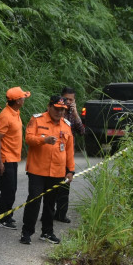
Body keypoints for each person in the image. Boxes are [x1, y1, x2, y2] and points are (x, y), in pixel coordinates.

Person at [20, 94, 74, 245]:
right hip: (37, 170)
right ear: (49, 107)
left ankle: (47, 232)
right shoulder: (37, 120)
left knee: (51, 204)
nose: (60, 112)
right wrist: (44, 140)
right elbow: (28, 139)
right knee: (34, 201)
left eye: (63, 110)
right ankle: (26, 232)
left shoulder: (66, 125)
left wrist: (70, 171)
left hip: (57, 171)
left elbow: (69, 150)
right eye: (56, 109)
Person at [0, 86, 30, 229]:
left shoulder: (15, 112)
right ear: (17, 101)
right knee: (8, 189)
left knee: (11, 189)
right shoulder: (5, 115)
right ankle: (3, 217)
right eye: (23, 97)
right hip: (5, 158)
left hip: (13, 158)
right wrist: (0, 162)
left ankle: (7, 215)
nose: (24, 99)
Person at [53, 86, 85, 224]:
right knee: (52, 187)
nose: (68, 102)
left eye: (71, 100)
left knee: (65, 186)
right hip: (55, 153)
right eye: (66, 99)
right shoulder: (55, 111)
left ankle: (61, 213)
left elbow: (82, 131)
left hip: (67, 154)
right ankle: (49, 212)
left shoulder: (72, 114)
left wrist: (76, 112)